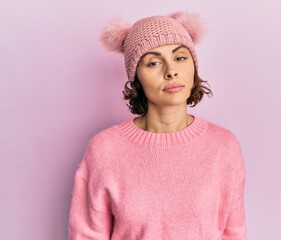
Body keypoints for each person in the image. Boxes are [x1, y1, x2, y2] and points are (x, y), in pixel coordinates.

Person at [68, 12, 247, 239]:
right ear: (136, 77)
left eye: (180, 58)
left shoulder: (224, 146)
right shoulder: (105, 149)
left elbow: (234, 233)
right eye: (153, 62)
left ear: (194, 66)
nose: (170, 71)